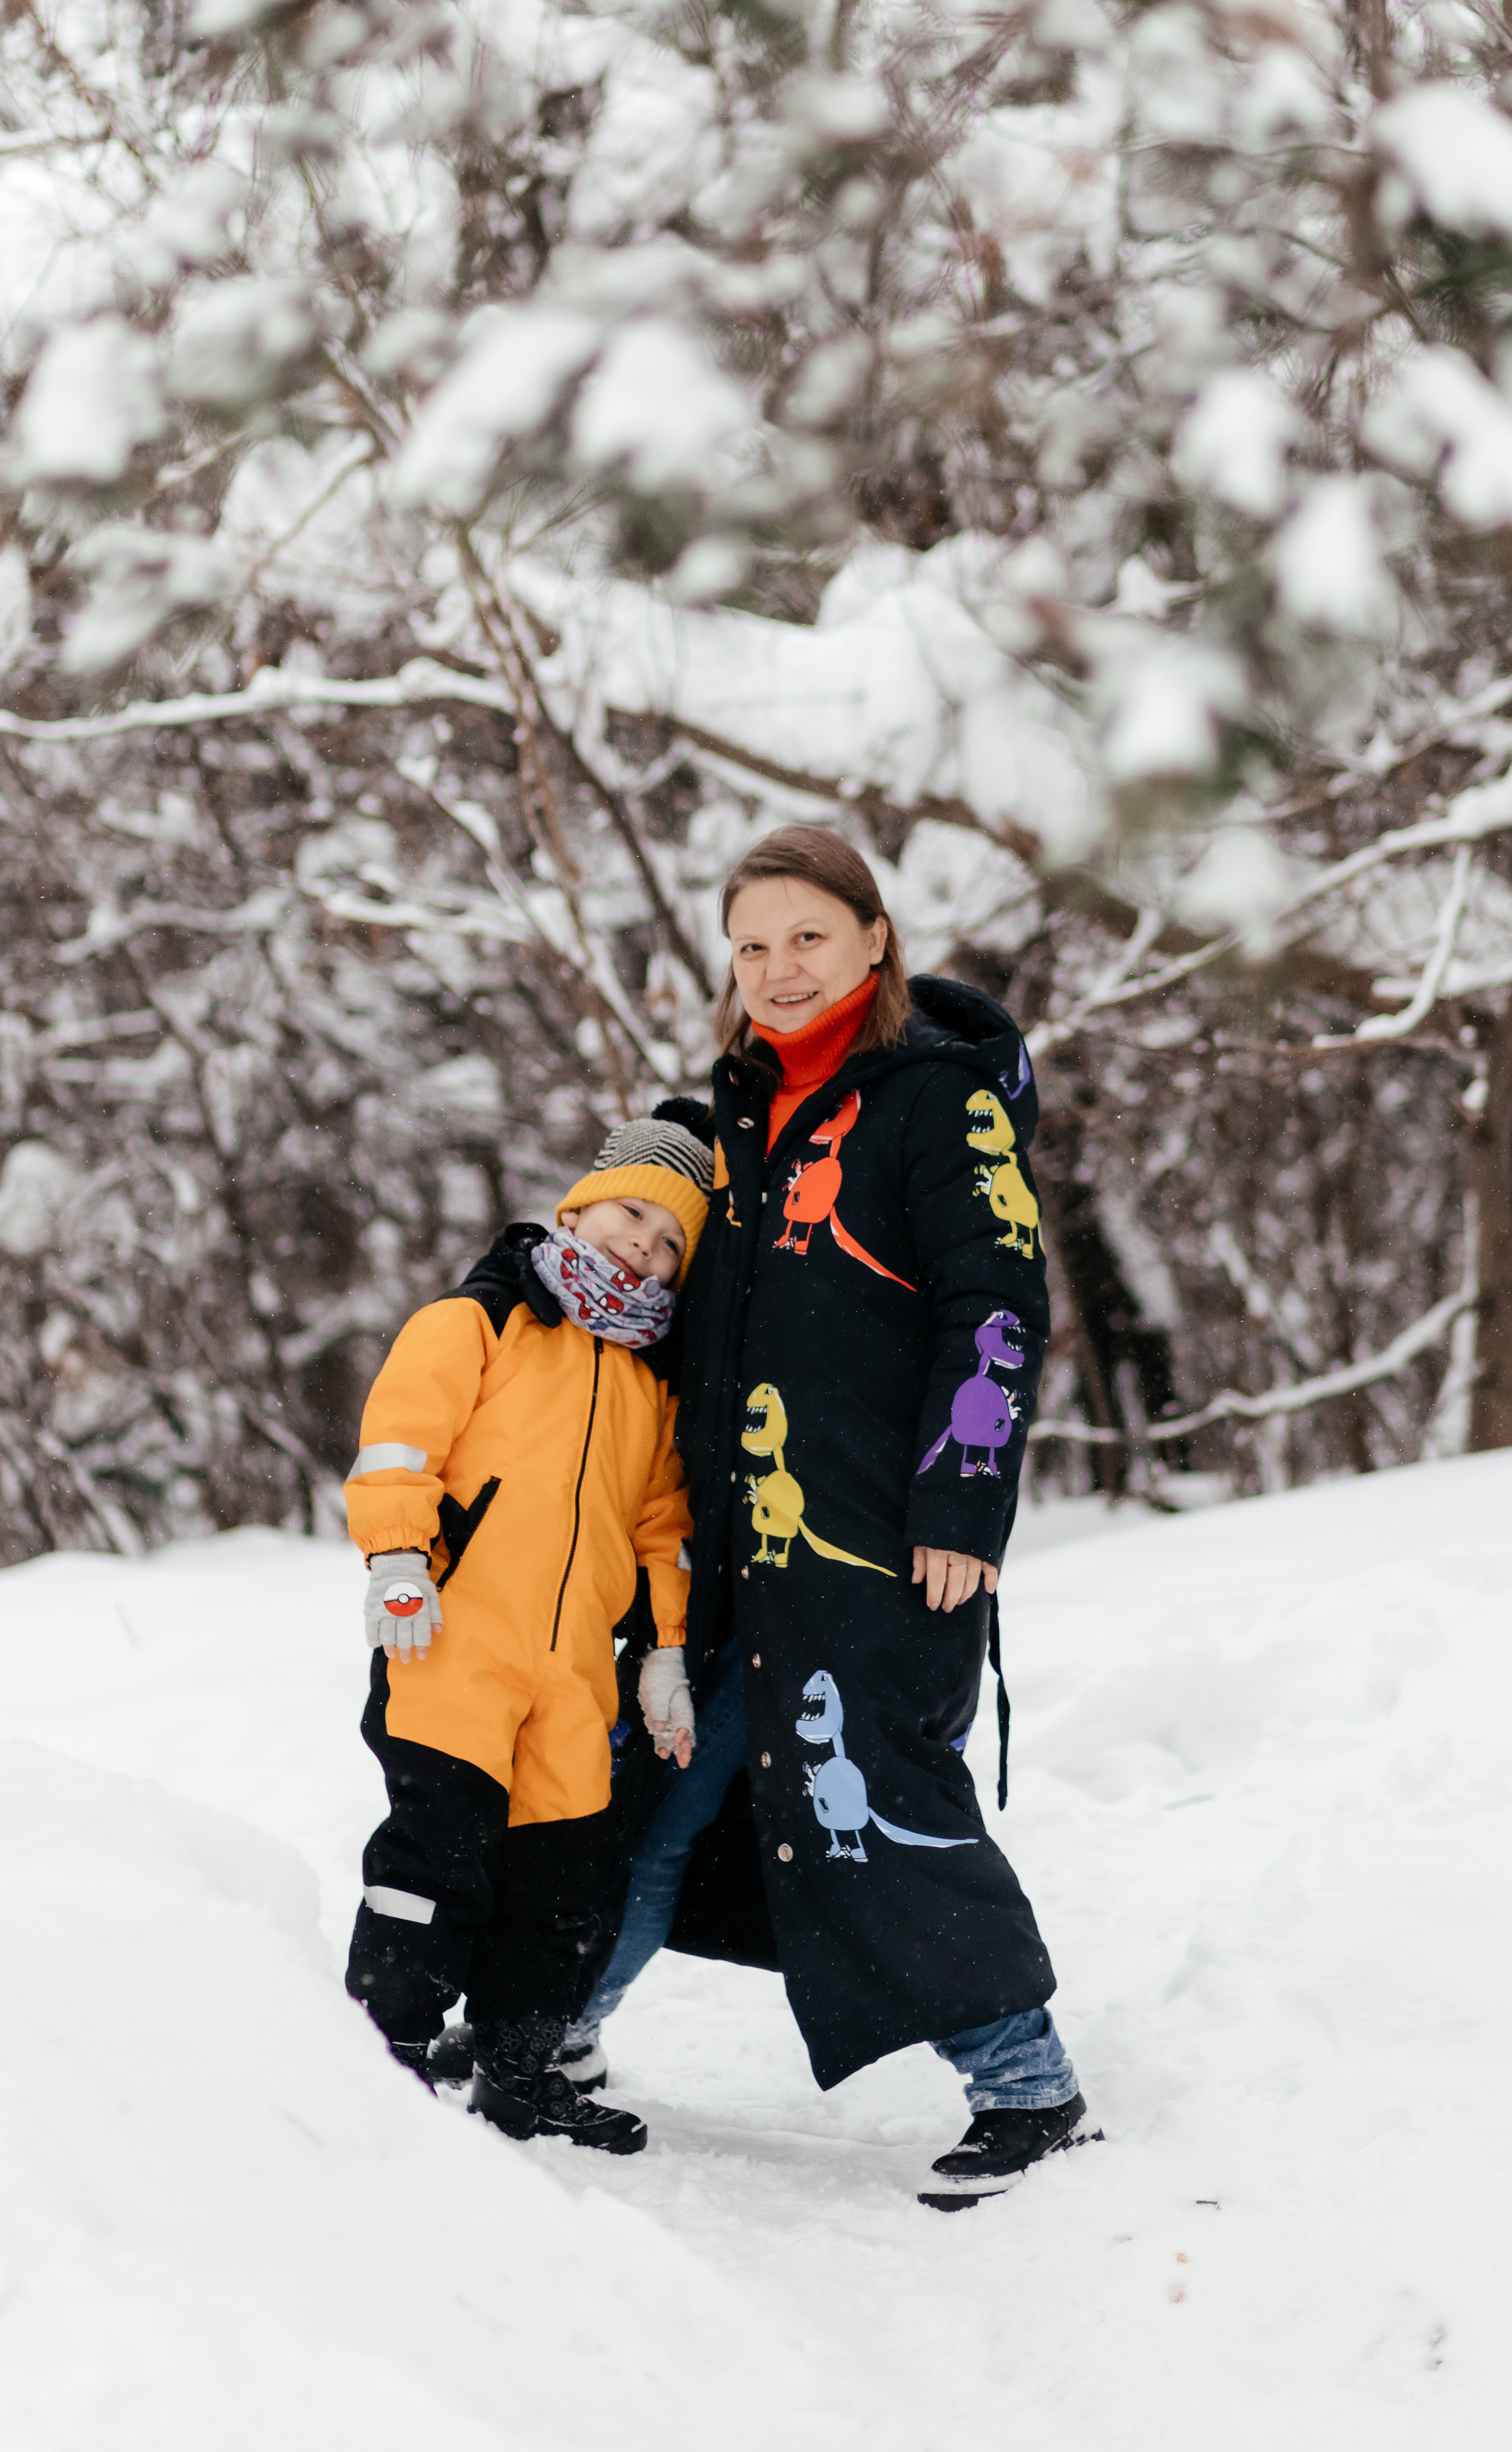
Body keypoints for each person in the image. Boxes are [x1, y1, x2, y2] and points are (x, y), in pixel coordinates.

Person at [563, 827, 1092, 2210]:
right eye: (753, 945)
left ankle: (1027, 2087)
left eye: (809, 937)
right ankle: (548, 2036)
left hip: (879, 1544)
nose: (781, 970)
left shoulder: (940, 1101)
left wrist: (964, 1501)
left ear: (873, 937)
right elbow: (619, 1242)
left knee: (882, 1802)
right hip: (731, 1561)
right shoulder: (727, 1116)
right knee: (653, 1791)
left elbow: (999, 1305)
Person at [341, 1106, 713, 2156]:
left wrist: (666, 1653)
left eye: (669, 1239)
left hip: (572, 1680)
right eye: (632, 1213)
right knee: (436, 1862)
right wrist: (401, 1558)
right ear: (582, 1205)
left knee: (563, 1890)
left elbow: (658, 1529)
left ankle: (517, 2072)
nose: (642, 1243)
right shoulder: (477, 1323)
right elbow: (399, 1443)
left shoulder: (649, 1379)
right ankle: (383, 2060)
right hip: (451, 1645)